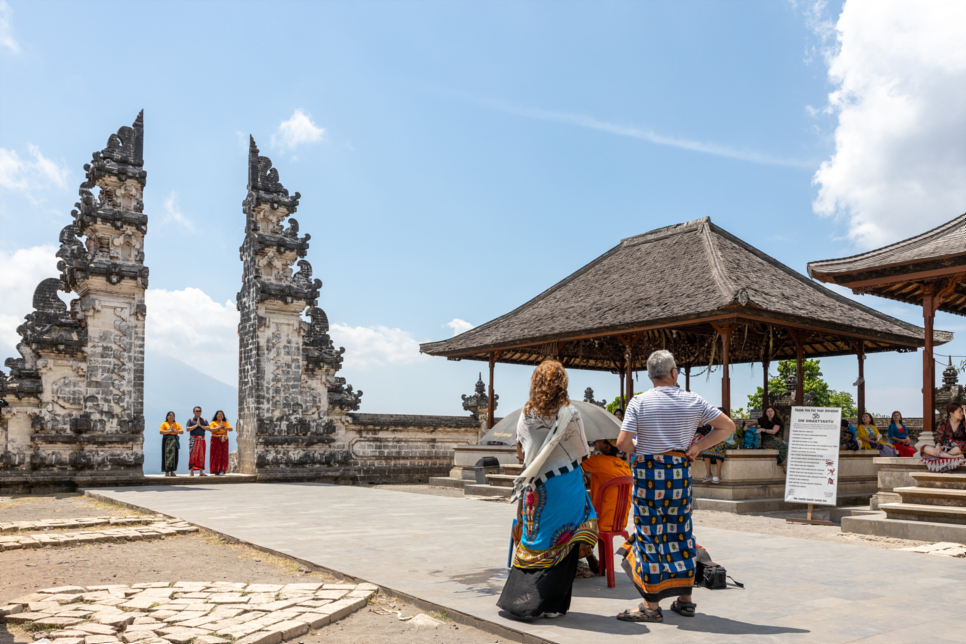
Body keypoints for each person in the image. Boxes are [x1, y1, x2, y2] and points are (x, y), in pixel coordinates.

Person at [614, 350, 735, 623]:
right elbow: (727, 426)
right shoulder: (694, 400)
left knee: (650, 536)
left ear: (649, 375)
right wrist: (698, 447)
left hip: (648, 478)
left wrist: (641, 447)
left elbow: (622, 444)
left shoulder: (639, 402)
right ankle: (685, 600)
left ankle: (651, 606)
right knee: (681, 533)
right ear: (673, 373)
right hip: (679, 475)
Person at [497, 360, 598, 620]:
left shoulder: (526, 413)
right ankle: (552, 605)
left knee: (534, 540)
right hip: (565, 484)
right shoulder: (570, 412)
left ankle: (518, 599)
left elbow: (521, 450)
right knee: (567, 538)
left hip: (536, 488)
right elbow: (581, 450)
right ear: (563, 383)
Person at [692, 408, 733, 484]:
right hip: (719, 442)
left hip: (729, 441)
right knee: (707, 447)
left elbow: (729, 436)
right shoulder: (714, 425)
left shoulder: (729, 423)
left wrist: (718, 441)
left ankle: (718, 474)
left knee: (719, 447)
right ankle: (709, 473)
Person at [185, 406, 210, 477]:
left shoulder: (204, 420)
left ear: (201, 412)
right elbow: (187, 429)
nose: (198, 412)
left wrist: (201, 426)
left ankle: (201, 472)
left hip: (202, 439)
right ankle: (191, 472)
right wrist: (196, 425)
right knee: (192, 455)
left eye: (199, 411)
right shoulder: (191, 420)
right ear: (193, 412)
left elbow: (209, 428)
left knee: (201, 456)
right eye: (197, 411)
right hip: (193, 439)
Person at [209, 410, 232, 475]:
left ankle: (222, 470)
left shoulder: (225, 423)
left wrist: (223, 427)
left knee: (223, 455)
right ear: (216, 415)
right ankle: (215, 470)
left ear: (223, 416)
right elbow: (211, 430)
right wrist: (219, 427)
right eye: (219, 414)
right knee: (215, 454)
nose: (220, 415)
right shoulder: (213, 422)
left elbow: (231, 429)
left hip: (224, 439)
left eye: (221, 414)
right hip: (215, 439)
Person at [160, 412, 182, 477]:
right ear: (167, 417)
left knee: (174, 456)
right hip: (166, 440)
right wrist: (169, 431)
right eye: (169, 415)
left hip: (174, 440)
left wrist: (175, 431)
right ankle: (166, 471)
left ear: (174, 417)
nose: (171, 417)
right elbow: (161, 431)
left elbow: (182, 431)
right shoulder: (164, 424)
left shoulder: (176, 424)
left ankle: (172, 471)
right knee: (165, 456)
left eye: (172, 416)